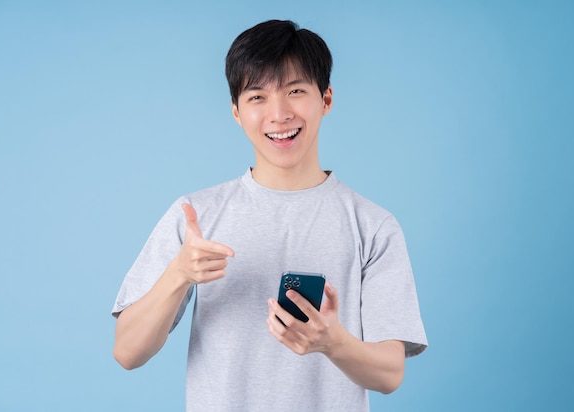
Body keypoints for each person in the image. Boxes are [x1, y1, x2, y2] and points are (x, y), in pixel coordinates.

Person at [112, 19, 427, 412]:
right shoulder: (196, 216)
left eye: (295, 91)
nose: (279, 114)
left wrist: (333, 343)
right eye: (257, 97)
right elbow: (127, 352)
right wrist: (178, 274)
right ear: (236, 111)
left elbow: (390, 374)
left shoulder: (373, 226)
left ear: (326, 99)